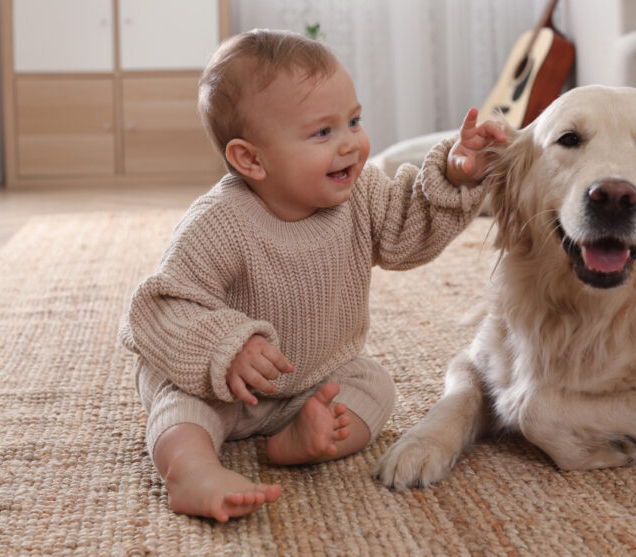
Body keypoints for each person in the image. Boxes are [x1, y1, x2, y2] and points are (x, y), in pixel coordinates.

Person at [119, 28, 509, 523]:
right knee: (180, 410)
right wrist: (226, 347)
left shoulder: (362, 195)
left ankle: (297, 442)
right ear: (251, 159)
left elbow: (409, 232)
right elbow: (160, 307)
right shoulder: (220, 222)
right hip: (220, 385)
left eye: (354, 120)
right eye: (323, 133)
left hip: (313, 379)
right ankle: (191, 473)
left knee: (375, 387)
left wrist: (456, 178)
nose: (350, 144)